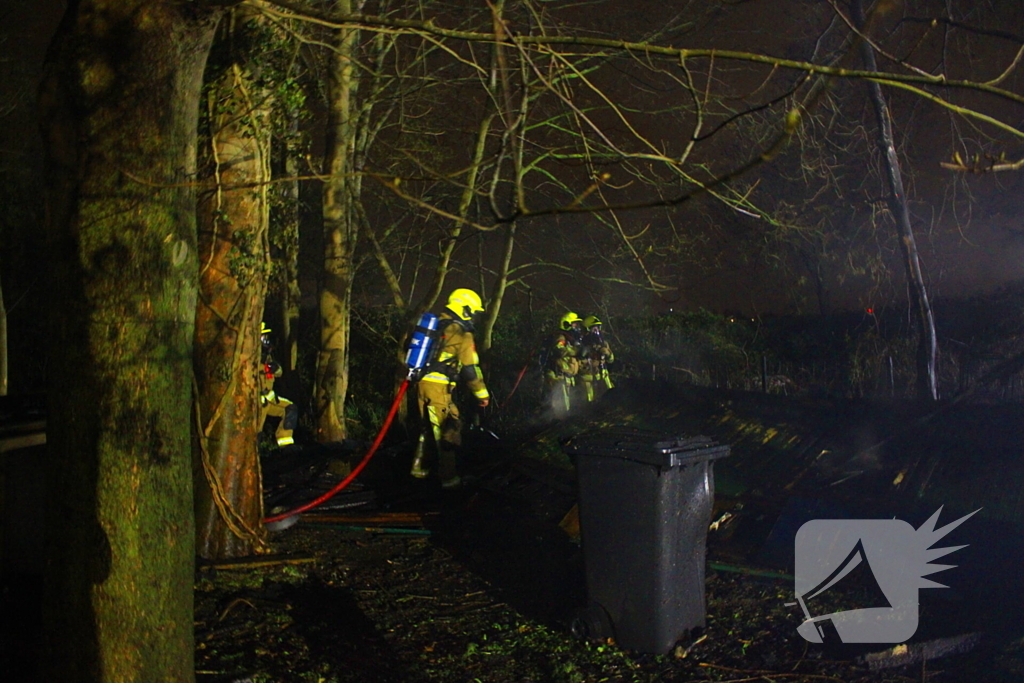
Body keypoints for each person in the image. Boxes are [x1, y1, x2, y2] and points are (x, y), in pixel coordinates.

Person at [409, 288, 490, 489]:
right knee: (446, 432)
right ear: (465, 309)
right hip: (438, 387)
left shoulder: (438, 324)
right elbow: (470, 369)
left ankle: (419, 470)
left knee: (428, 428)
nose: (473, 316)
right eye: (473, 311)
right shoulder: (461, 332)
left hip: (423, 384)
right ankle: (449, 480)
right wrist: (482, 394)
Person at [259, 323, 298, 448]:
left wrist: (275, 368)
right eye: (263, 336)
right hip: (256, 403)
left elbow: (279, 372)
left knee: (290, 409)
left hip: (269, 399)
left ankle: (286, 445)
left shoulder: (267, 356)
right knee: (256, 432)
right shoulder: (249, 357)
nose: (266, 339)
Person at [543, 312, 582, 419]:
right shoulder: (560, 337)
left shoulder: (570, 338)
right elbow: (559, 350)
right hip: (560, 377)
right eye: (574, 324)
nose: (576, 327)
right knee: (562, 407)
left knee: (569, 405)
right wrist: (576, 350)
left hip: (568, 377)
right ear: (566, 324)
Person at [579, 315, 615, 403]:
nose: (597, 331)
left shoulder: (603, 343)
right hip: (588, 377)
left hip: (603, 376)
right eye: (593, 329)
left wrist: (608, 353)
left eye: (598, 328)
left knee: (610, 398)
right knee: (589, 401)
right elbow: (579, 362)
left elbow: (611, 360)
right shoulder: (581, 344)